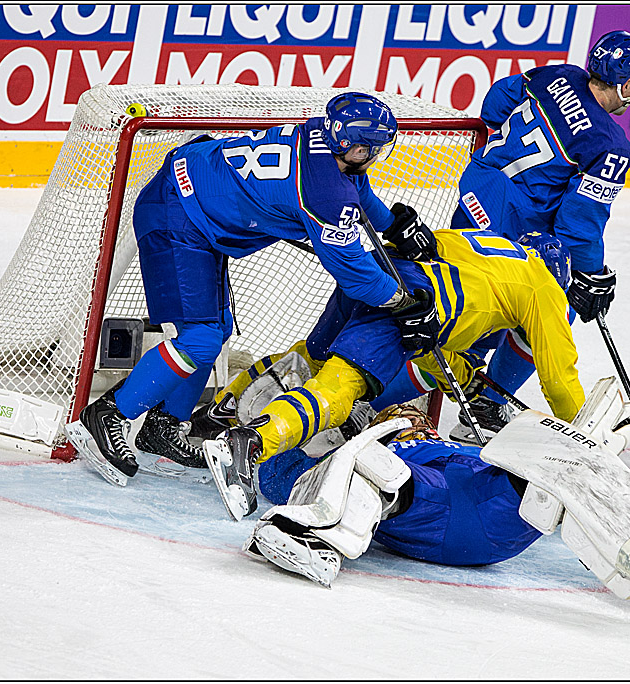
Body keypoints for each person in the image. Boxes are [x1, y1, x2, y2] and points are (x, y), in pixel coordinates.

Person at [66, 92, 441, 488]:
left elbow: (354, 187)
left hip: (197, 201)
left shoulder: (322, 138)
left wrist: (390, 222)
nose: (376, 154)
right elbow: (355, 274)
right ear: (349, 144)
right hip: (177, 216)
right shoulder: (326, 194)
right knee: (199, 340)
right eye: (372, 147)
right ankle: (109, 414)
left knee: (216, 333)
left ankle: (164, 425)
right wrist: (401, 301)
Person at [242, 381, 630, 625]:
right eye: (398, 412)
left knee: (565, 463)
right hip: (450, 514)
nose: (409, 415)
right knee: (376, 470)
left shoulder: (443, 446)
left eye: (410, 413)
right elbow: (281, 473)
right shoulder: (367, 451)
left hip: (498, 516)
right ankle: (310, 535)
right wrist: (283, 449)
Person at [202, 228, 586, 521]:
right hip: (410, 304)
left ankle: (223, 411)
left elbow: (433, 332)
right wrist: (584, 442)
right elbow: (559, 380)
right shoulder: (545, 286)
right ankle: (250, 444)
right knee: (338, 389)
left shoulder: (487, 247)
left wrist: (464, 380)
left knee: (310, 360)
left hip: (373, 274)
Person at [440, 30, 630, 442]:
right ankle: (486, 403)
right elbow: (581, 220)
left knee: (449, 302)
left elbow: (497, 99)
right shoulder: (610, 145)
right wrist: (589, 273)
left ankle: (407, 386)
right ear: (626, 83)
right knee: (548, 307)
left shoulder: (558, 75)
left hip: (476, 194)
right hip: (510, 230)